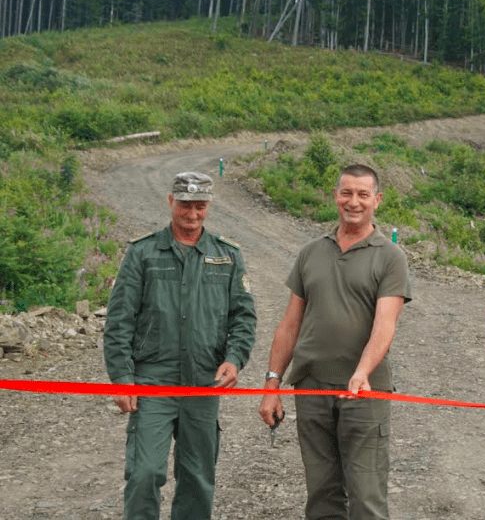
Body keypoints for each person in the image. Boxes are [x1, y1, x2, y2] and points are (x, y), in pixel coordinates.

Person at [258, 163, 411, 520]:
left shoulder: (390, 257)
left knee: (366, 497)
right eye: (346, 193)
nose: (353, 201)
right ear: (335, 196)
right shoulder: (311, 252)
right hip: (311, 389)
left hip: (364, 392)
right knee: (322, 495)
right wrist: (272, 384)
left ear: (377, 200)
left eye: (362, 194)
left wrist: (362, 372)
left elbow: (385, 325)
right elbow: (289, 324)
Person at [103, 171, 256, 520]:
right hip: (152, 383)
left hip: (203, 384)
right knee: (145, 473)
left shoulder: (227, 255)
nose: (192, 214)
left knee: (198, 478)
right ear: (171, 201)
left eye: (200, 206)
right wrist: (122, 377)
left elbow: (243, 317)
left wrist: (235, 359)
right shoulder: (142, 253)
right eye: (185, 205)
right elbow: (119, 320)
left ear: (209, 206)